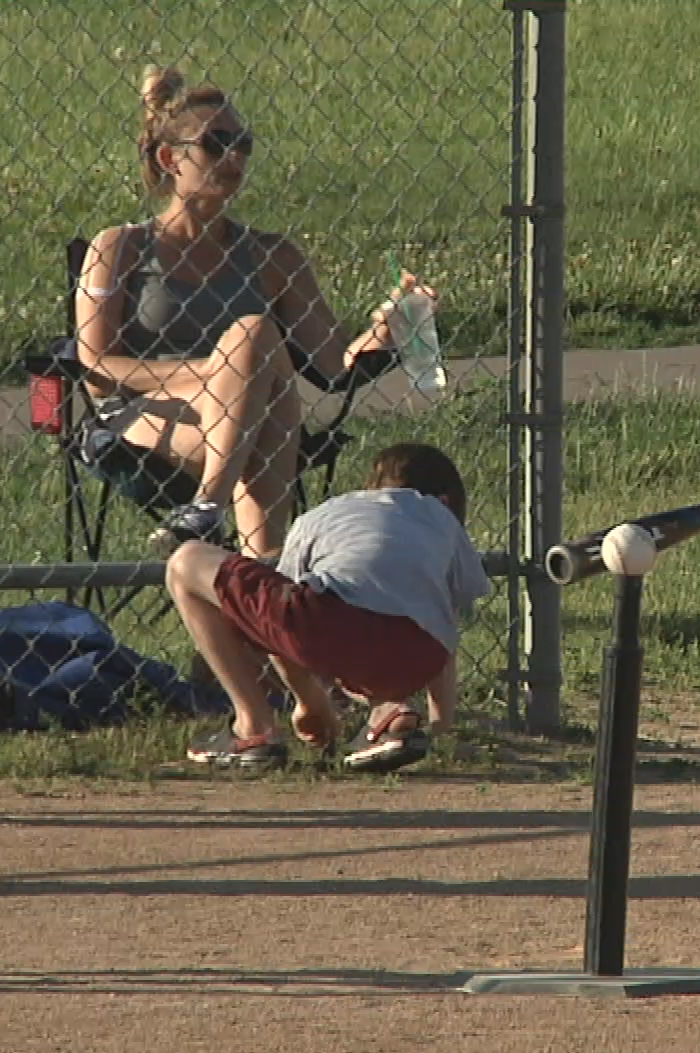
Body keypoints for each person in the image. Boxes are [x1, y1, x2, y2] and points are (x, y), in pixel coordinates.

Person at [73, 64, 437, 560]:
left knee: (254, 345)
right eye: (216, 142)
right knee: (252, 351)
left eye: (244, 143)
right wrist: (215, 373)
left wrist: (387, 326)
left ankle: (209, 514)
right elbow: (95, 369)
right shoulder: (121, 247)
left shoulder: (274, 257)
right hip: (150, 417)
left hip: (253, 413)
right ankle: (259, 569)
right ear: (169, 158)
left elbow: (334, 367)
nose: (234, 156)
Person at [164, 442, 490, 773]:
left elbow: (278, 630)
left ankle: (253, 727)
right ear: (447, 500)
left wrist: (309, 702)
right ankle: (391, 712)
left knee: (185, 560)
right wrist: (440, 727)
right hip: (418, 654)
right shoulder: (442, 520)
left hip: (327, 624)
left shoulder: (325, 513)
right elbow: (444, 622)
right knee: (386, 628)